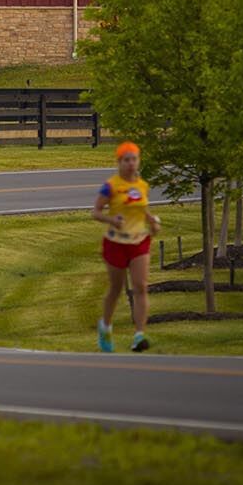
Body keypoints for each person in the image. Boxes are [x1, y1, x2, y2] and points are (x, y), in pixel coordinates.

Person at [92, 141, 162, 352]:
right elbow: (95, 212)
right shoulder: (111, 186)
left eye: (134, 159)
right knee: (116, 289)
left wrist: (152, 222)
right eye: (126, 160)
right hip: (115, 242)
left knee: (141, 286)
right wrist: (112, 220)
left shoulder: (142, 185)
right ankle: (105, 326)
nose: (131, 164)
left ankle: (139, 335)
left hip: (139, 240)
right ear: (119, 162)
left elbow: (141, 209)